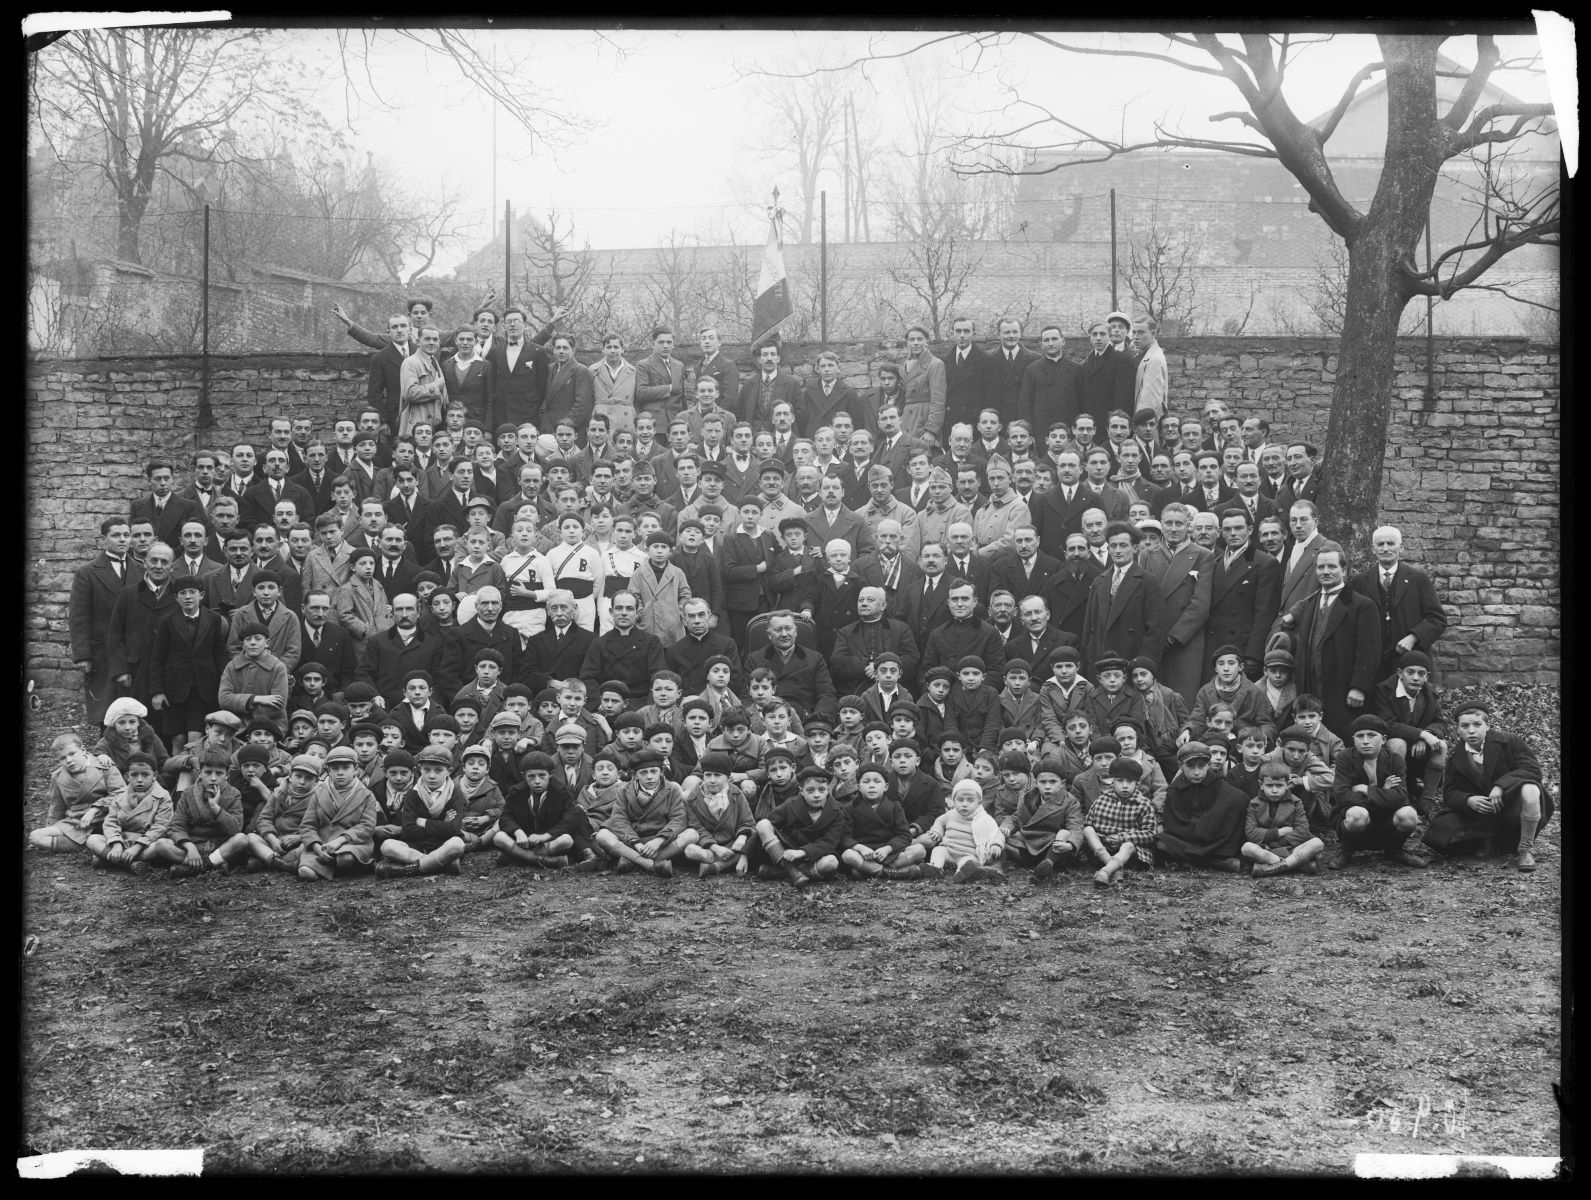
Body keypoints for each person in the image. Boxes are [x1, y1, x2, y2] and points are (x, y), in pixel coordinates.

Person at [1424, 701, 1550, 872]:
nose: (1471, 730)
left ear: (1487, 725)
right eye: (1465, 726)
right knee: (1437, 833)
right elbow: (1449, 793)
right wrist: (1469, 800)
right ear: (1458, 730)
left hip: (1512, 807)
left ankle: (1525, 849)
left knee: (1531, 789)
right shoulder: (1456, 757)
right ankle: (1489, 839)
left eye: (1477, 724)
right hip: (1482, 814)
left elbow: (1532, 770)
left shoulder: (1508, 741)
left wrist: (1501, 786)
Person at [1274, 544, 1379, 739]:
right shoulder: (1309, 604)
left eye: (1332, 567)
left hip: (1342, 687)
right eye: (1321, 567)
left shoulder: (1362, 605)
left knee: (1340, 739)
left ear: (1344, 570)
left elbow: (1368, 651)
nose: (1325, 571)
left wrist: (1359, 687)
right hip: (1310, 686)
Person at [1324, 714, 1426, 871]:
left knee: (1409, 815)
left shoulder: (1394, 759)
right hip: (1357, 817)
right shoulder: (1345, 757)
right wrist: (1383, 793)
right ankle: (1346, 852)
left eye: (1371, 735)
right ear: (1354, 739)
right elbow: (1342, 795)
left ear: (1384, 739)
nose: (1365, 740)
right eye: (1360, 736)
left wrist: (1366, 789)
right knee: (1358, 814)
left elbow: (1399, 797)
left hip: (1385, 819)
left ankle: (1395, 851)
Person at [1349, 525, 1449, 679]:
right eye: (1380, 544)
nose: (1385, 548)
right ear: (1373, 549)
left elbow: (1437, 619)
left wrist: (1413, 637)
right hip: (1373, 666)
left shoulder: (1418, 579)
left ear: (1401, 547)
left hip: (1410, 664)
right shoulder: (1360, 582)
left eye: (1391, 543)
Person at [1138, 503, 1214, 704]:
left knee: (1183, 698)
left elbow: (1200, 604)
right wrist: (1155, 634)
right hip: (1155, 638)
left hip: (1185, 640)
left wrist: (1173, 637)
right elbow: (1141, 597)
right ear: (1161, 525)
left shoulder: (1202, 555)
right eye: (1168, 523)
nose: (1173, 528)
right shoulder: (1147, 554)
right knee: (1153, 700)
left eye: (1179, 524)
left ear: (1188, 526)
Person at [149, 573, 228, 749]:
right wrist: (157, 691)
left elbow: (219, 653)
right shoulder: (167, 621)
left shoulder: (213, 619)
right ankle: (176, 774)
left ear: (201, 595)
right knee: (177, 739)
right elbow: (157, 657)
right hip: (174, 690)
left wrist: (224, 682)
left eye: (192, 592)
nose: (188, 596)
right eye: (182, 593)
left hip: (203, 689)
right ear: (176, 598)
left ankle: (195, 773)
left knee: (195, 738)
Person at [145, 747, 250, 877]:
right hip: (193, 847)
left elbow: (235, 828)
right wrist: (189, 846)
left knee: (241, 839)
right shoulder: (189, 793)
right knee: (162, 844)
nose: (213, 778)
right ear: (200, 773)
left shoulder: (233, 794)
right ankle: (212, 865)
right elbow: (176, 826)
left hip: (219, 847)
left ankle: (199, 866)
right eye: (208, 772)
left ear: (227, 775)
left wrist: (216, 808)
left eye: (219, 773)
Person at [1205, 507, 1282, 681]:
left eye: (1238, 528)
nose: (1233, 533)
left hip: (1242, 649)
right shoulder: (1214, 562)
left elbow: (1265, 614)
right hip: (1214, 647)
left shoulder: (1265, 563)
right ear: (1220, 533)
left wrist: (1253, 656)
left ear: (1250, 530)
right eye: (1227, 529)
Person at [1081, 521, 1166, 670]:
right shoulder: (1099, 581)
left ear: (1134, 548)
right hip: (1101, 661)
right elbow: (1089, 628)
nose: (1118, 551)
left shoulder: (1147, 581)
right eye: (1113, 546)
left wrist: (1144, 663)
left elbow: (1156, 629)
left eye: (1123, 545)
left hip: (1131, 660)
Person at [376, 745, 467, 878]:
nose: (431, 776)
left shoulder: (455, 793)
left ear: (449, 771)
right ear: (420, 769)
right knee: (387, 846)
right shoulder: (412, 794)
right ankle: (440, 864)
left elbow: (453, 829)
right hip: (416, 846)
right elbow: (408, 830)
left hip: (443, 845)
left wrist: (422, 821)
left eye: (438, 771)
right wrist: (441, 824)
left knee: (457, 843)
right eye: (427, 770)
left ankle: (407, 869)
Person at [1157, 740, 1248, 871]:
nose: (1196, 772)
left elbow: (1239, 799)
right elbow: (1174, 823)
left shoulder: (1217, 784)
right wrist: (1195, 828)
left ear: (1209, 765)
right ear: (1180, 765)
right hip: (1187, 839)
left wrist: (1207, 826)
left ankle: (1193, 860)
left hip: (1214, 839)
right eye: (1191, 766)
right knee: (1161, 843)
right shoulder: (1175, 789)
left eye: (1201, 766)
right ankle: (1216, 863)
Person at [30, 732, 126, 853]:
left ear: (83, 750)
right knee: (35, 837)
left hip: (106, 819)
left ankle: (90, 844)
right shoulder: (57, 776)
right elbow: (56, 807)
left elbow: (121, 794)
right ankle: (89, 846)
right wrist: (51, 828)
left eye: (72, 754)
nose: (69, 760)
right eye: (62, 758)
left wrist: (95, 809)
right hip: (76, 823)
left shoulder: (104, 766)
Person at [752, 765, 846, 888]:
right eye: (810, 790)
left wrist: (803, 852)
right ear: (801, 791)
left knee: (831, 863)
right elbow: (766, 826)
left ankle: (779, 872)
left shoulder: (836, 811)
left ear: (828, 789)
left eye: (821, 790)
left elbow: (829, 842)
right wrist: (744, 855)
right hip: (788, 851)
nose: (816, 795)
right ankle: (790, 870)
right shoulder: (791, 804)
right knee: (763, 824)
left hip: (815, 855)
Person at [84, 750, 173, 873]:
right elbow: (111, 822)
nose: (140, 779)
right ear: (127, 776)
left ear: (154, 775)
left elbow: (161, 826)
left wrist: (137, 847)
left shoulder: (163, 796)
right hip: (122, 840)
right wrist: (116, 843)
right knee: (92, 839)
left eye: (145, 774)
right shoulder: (120, 795)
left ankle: (108, 860)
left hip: (145, 844)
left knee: (161, 845)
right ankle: (129, 864)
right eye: (134, 775)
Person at [1000, 756, 1085, 879]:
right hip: (1029, 843)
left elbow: (1075, 826)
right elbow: (1016, 817)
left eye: (1053, 782)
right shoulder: (1029, 797)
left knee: (1063, 833)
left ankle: (1047, 864)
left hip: (1052, 845)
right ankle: (996, 864)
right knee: (1000, 838)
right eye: (1043, 782)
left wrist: (1071, 844)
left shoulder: (1070, 801)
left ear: (1063, 783)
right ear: (1036, 783)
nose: (1047, 786)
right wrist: (1006, 827)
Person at [1241, 761, 1325, 878]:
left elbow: (1303, 831)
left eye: (1279, 786)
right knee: (1247, 848)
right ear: (1261, 785)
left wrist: (1276, 841)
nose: (1274, 790)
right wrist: (1277, 833)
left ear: (1287, 784)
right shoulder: (1254, 804)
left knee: (1317, 843)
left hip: (1292, 848)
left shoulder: (1295, 803)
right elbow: (1251, 833)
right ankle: (1297, 865)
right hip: (1267, 850)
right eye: (1269, 785)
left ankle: (1272, 867)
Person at [1018, 324, 1084, 435]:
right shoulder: (1032, 369)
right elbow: (1025, 404)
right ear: (1041, 345)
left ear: (1063, 341)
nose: (1050, 343)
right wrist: (1029, 432)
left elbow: (1082, 402)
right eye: (1046, 340)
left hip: (1068, 429)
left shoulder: (1076, 369)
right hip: (1042, 429)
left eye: (1054, 339)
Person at [1130, 316, 1168, 414]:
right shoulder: (1142, 353)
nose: (1136, 337)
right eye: (1134, 332)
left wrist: (1138, 424)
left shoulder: (1155, 360)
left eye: (1141, 332)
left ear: (1153, 334)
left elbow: (1150, 400)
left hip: (1144, 422)